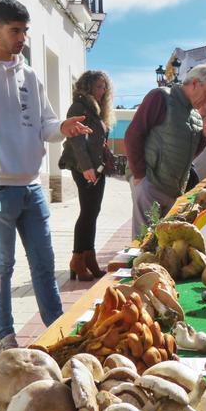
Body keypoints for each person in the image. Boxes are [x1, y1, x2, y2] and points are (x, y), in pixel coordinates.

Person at [0, 0, 91, 351]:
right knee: (3, 270)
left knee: (44, 266)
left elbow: (46, 125)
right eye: (15, 31)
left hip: (33, 188)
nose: (21, 38)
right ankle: (6, 338)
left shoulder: (30, 74)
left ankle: (58, 332)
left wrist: (64, 127)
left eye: (25, 31)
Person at [124, 64, 206, 237]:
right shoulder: (160, 97)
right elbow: (133, 134)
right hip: (151, 184)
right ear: (195, 83)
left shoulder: (195, 116)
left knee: (161, 246)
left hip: (172, 190)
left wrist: (204, 134)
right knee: (143, 243)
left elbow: (189, 155)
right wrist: (140, 176)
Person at [58, 70, 116, 281]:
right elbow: (76, 141)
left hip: (95, 166)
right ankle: (77, 259)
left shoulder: (96, 109)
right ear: (88, 86)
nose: (103, 91)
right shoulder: (79, 107)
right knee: (87, 211)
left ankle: (88, 257)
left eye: (104, 87)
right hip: (83, 166)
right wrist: (86, 167)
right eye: (99, 86)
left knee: (92, 211)